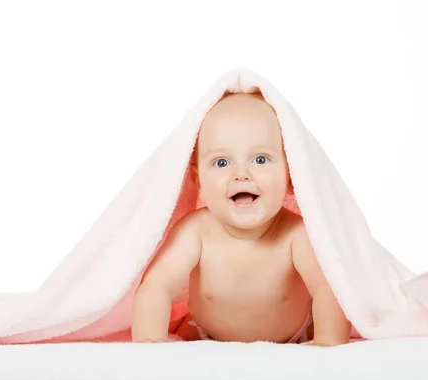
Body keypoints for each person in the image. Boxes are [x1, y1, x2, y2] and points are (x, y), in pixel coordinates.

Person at [131, 92, 351, 346]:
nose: (241, 174)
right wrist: (150, 344)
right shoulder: (196, 231)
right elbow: (157, 284)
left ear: (291, 174)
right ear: (198, 180)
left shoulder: (296, 234)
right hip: (205, 331)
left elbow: (328, 287)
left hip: (295, 334)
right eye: (222, 162)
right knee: (181, 332)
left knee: (323, 319)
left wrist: (328, 342)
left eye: (260, 159)